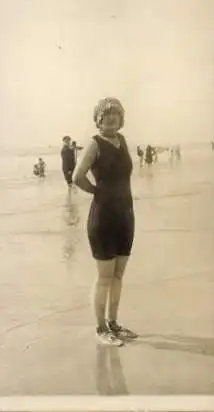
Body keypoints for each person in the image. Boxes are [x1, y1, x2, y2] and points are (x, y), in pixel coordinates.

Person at [73, 97, 137, 346]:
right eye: (106, 114)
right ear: (98, 119)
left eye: (116, 113)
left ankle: (114, 323)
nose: (111, 117)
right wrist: (98, 192)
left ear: (121, 118)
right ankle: (101, 329)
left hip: (126, 216)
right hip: (103, 218)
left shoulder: (122, 141)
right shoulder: (94, 144)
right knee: (104, 277)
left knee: (119, 275)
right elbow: (78, 176)